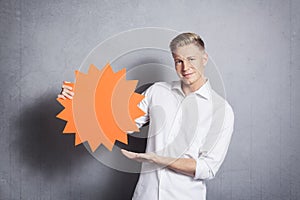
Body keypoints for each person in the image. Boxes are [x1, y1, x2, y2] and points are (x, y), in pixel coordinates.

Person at [58, 32, 234, 200]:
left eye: (191, 59)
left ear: (204, 59)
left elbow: (207, 168)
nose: (185, 67)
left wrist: (157, 159)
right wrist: (80, 99)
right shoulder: (157, 91)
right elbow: (123, 123)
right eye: (178, 61)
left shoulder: (221, 110)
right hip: (146, 194)